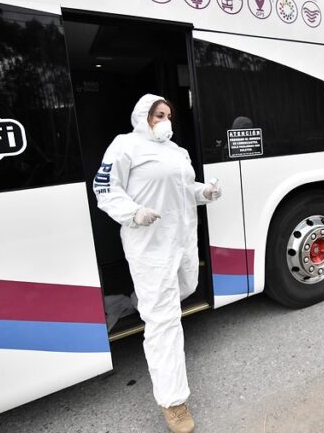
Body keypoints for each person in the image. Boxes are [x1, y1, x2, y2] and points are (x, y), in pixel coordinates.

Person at [93, 94, 221, 433]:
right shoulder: (125, 146)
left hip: (182, 242)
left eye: (168, 115)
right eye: (157, 114)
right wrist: (133, 213)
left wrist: (203, 192)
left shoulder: (178, 152)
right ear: (142, 116)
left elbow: (183, 188)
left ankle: (140, 303)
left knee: (188, 287)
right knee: (164, 321)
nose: (164, 119)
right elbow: (104, 188)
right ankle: (173, 402)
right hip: (149, 246)